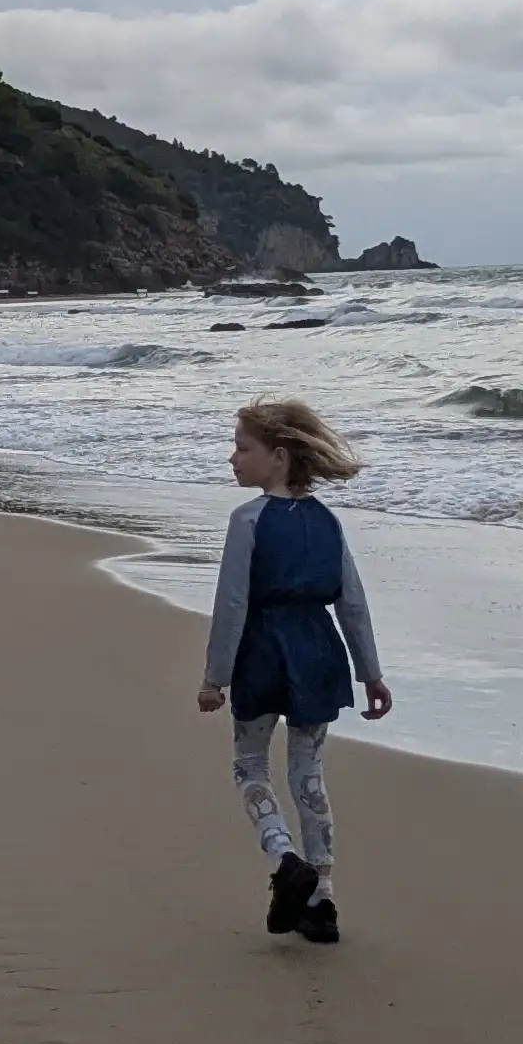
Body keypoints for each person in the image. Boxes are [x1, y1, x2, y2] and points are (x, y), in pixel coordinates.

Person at [195, 396, 390, 945]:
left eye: (242, 448)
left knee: (250, 765)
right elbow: (352, 602)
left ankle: (285, 860)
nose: (233, 459)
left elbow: (232, 604)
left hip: (262, 650)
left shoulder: (248, 519)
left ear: (278, 457)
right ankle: (323, 897)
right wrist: (369, 673)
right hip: (318, 652)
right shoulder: (327, 521)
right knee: (308, 771)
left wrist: (216, 678)